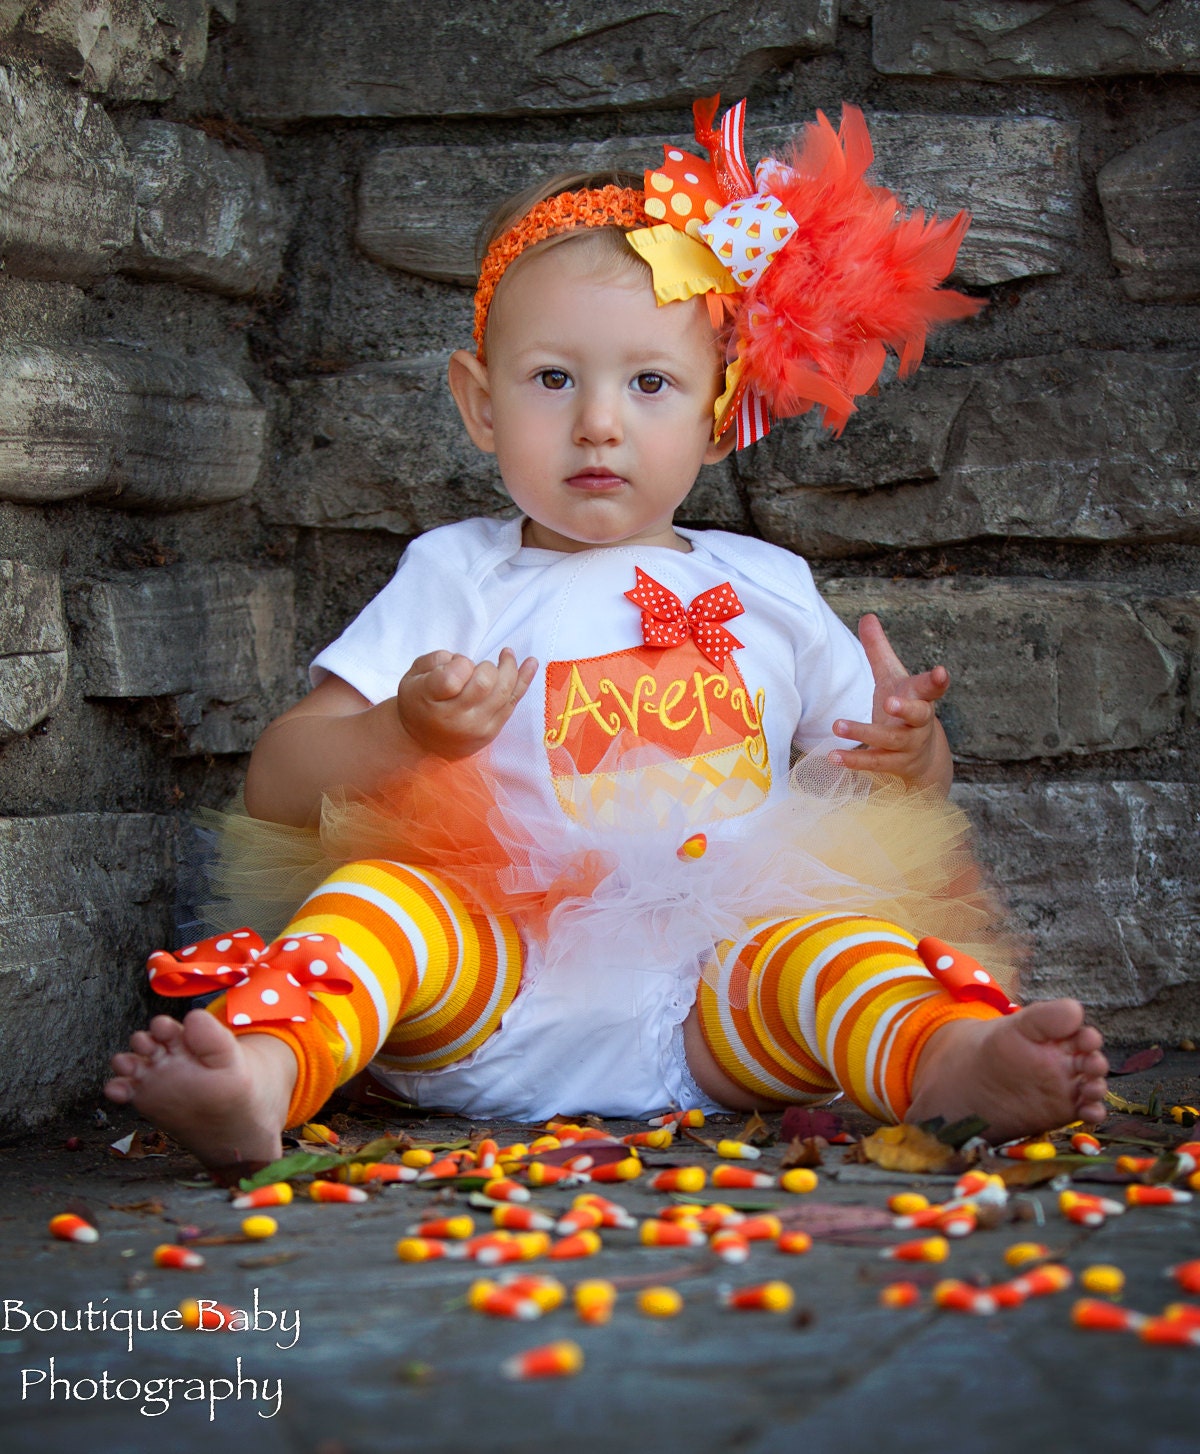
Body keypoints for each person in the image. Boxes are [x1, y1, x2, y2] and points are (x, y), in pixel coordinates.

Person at [105, 99, 1107, 1172]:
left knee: (842, 948)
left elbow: (904, 797)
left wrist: (913, 751)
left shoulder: (766, 586)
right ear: (479, 403)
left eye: (649, 382)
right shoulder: (456, 575)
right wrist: (405, 730)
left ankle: (948, 1061)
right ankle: (261, 1073)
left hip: (723, 999)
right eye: (552, 379)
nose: (598, 420)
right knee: (377, 905)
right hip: (489, 982)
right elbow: (279, 779)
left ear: (719, 411)